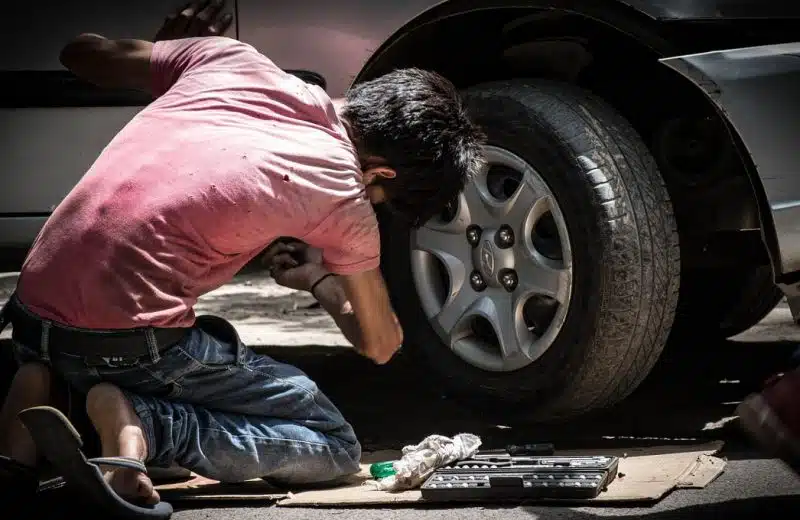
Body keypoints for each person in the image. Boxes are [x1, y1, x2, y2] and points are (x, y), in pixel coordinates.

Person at [0, 0, 486, 512]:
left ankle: (46, 391)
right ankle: (141, 423)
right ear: (382, 174)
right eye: (383, 197)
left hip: (32, 317)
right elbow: (381, 343)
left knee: (197, 340)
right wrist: (323, 280)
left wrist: (171, 62)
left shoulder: (228, 59)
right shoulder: (346, 193)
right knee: (333, 445)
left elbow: (81, 54)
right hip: (127, 343)